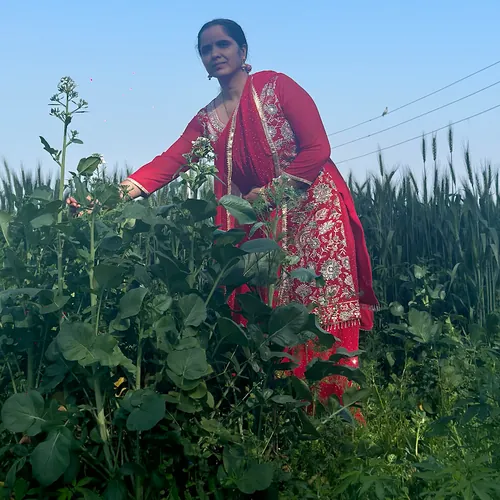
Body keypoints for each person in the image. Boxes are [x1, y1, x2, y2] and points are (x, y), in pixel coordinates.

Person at [69, 18, 378, 405]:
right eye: (206, 49)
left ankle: (336, 410)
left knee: (319, 307)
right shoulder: (207, 120)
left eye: (223, 45)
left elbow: (317, 148)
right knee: (278, 313)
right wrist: (103, 200)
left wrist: (271, 193)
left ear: (242, 51)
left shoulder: (276, 87)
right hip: (270, 223)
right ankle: (291, 412)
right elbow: (168, 163)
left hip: (315, 210)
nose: (214, 53)